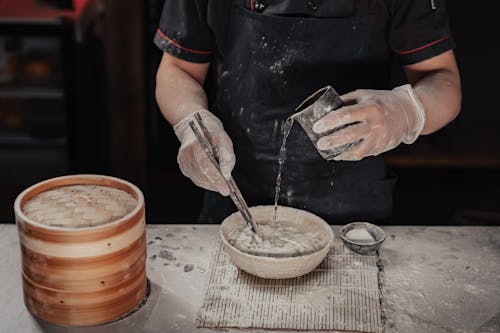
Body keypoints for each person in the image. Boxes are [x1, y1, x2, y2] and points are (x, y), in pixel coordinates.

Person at [154, 0, 461, 224]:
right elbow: (178, 69)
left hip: (353, 207)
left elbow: (442, 81)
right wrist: (192, 121)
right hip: (236, 196)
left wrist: (407, 112)